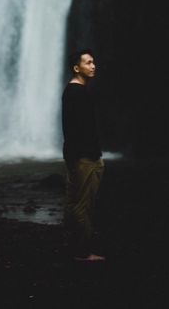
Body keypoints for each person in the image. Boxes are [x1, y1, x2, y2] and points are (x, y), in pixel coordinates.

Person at [61, 48, 105, 261]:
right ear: (76, 68)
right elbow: (80, 130)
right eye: (88, 62)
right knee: (83, 204)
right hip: (84, 158)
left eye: (93, 62)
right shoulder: (77, 93)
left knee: (74, 202)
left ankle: (72, 246)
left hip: (78, 156)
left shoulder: (73, 92)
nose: (93, 65)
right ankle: (83, 252)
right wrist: (92, 155)